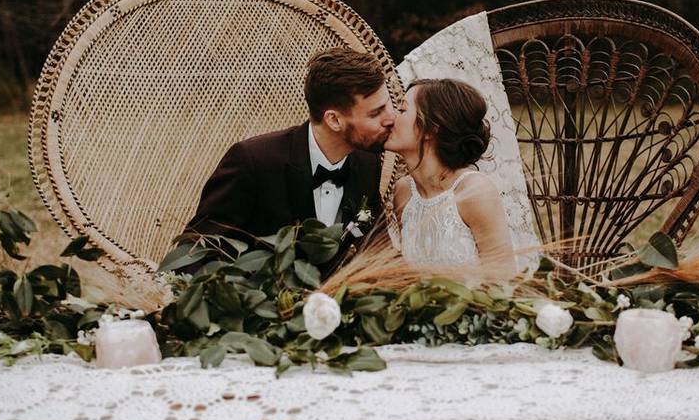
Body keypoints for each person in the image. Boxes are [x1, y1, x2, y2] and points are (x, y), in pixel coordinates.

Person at [183, 46, 396, 272]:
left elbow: (375, 244)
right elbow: (194, 254)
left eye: (387, 104)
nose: (391, 117)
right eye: (376, 113)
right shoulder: (253, 161)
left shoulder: (367, 161)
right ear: (334, 120)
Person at [384, 78, 513, 270]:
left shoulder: (474, 191)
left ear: (430, 129)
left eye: (402, 110)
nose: (391, 119)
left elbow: (505, 279)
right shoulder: (403, 192)